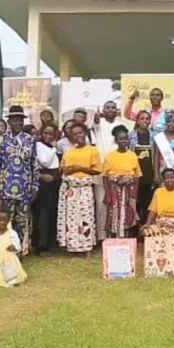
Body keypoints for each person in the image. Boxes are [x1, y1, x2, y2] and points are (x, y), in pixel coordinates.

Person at [0, 105, 40, 254]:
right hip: (6, 188)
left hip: (24, 188)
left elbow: (34, 165)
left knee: (21, 221)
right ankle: (3, 250)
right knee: (5, 220)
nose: (17, 123)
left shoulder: (30, 140)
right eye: (14, 120)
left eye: (20, 120)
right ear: (10, 121)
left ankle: (17, 251)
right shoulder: (1, 140)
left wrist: (35, 187)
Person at [58, 124, 101, 255]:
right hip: (71, 188)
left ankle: (87, 247)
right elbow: (63, 169)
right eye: (75, 134)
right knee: (71, 218)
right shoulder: (69, 151)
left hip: (84, 188)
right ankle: (72, 246)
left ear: (85, 133)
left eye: (80, 133)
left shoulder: (92, 150)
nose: (78, 136)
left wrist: (80, 168)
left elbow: (97, 170)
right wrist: (67, 170)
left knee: (85, 217)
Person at [93, 100, 129, 242]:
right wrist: (96, 119)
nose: (110, 110)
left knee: (118, 204)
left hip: (118, 171)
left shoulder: (121, 125)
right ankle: (101, 236)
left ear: (117, 110)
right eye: (107, 107)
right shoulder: (98, 124)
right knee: (101, 202)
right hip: (101, 170)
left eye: (113, 108)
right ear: (103, 109)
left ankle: (117, 233)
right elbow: (95, 125)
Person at [103, 125, 142, 238]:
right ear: (116, 140)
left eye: (125, 138)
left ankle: (126, 238)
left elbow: (137, 175)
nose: (124, 141)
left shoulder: (132, 155)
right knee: (114, 212)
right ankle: (112, 237)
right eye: (121, 139)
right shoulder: (110, 155)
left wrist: (135, 193)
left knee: (129, 213)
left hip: (129, 189)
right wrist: (107, 193)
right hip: (114, 189)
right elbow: (105, 176)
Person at [33, 124, 61, 254]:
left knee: (51, 212)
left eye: (51, 134)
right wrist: (54, 148)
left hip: (53, 181)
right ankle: (41, 244)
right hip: (44, 181)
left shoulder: (49, 147)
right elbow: (44, 161)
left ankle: (50, 242)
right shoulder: (39, 146)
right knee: (43, 213)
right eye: (46, 133)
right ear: (41, 133)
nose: (48, 136)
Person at [0, 209, 28, 287]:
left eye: (5, 220)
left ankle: (14, 280)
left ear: (8, 221)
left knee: (14, 276)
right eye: (0, 220)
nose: (2, 222)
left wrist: (14, 247)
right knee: (0, 278)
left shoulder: (12, 233)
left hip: (11, 261)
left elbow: (18, 246)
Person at [143, 168, 174, 237]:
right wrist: (148, 223)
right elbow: (153, 210)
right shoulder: (158, 192)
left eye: (172, 178)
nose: (169, 180)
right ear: (163, 180)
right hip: (161, 221)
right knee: (146, 231)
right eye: (166, 178)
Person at [130, 111, 156, 223]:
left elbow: (156, 155)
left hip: (149, 173)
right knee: (136, 202)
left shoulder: (154, 136)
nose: (145, 121)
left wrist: (156, 174)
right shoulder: (131, 135)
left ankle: (146, 227)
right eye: (142, 118)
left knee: (148, 202)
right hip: (135, 174)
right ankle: (135, 228)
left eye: (147, 119)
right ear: (137, 121)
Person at [153, 112, 174, 184]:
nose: (171, 124)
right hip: (163, 168)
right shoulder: (159, 137)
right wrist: (156, 174)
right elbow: (156, 156)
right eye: (169, 122)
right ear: (165, 123)